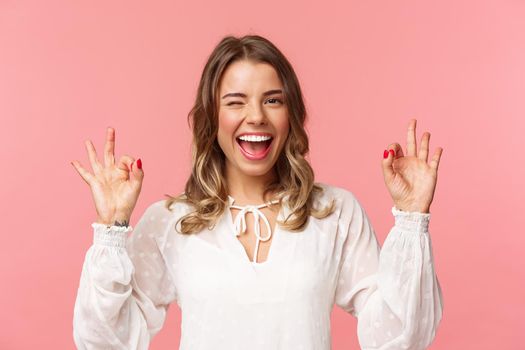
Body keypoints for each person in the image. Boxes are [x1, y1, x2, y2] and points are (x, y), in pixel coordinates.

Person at [71, 34, 444, 350]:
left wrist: (412, 216)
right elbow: (106, 341)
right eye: (235, 102)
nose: (256, 116)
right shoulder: (170, 222)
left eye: (273, 100)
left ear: (290, 114)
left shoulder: (334, 212)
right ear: (211, 117)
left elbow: (398, 338)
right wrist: (112, 226)